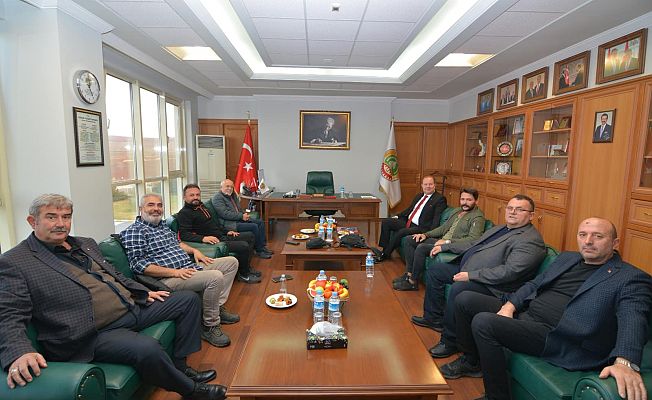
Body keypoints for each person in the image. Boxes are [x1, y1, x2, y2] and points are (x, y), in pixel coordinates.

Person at [0, 194, 227, 400]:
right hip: (93, 333)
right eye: (51, 217)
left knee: (187, 300)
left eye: (66, 217)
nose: (61, 223)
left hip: (131, 307)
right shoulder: (16, 261)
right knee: (147, 347)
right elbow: (8, 313)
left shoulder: (84, 243)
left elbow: (115, 274)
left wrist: (142, 292)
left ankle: (180, 365)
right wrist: (19, 351)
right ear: (32, 221)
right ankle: (191, 391)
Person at [443, 218, 651, 400]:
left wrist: (625, 362)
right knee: (465, 299)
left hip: (557, 335)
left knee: (484, 322)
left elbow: (633, 317)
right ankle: (471, 362)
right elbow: (534, 284)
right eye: (583, 234)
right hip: (527, 314)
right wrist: (509, 306)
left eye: (598, 236)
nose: (588, 241)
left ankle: (496, 397)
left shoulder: (629, 277)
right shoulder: (568, 258)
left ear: (615, 243)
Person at [411, 194, 546, 358]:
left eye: (519, 210)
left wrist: (471, 275)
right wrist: (446, 247)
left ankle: (450, 341)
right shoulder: (500, 228)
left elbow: (510, 271)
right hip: (467, 269)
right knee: (436, 270)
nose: (512, 212)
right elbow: (473, 244)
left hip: (492, 285)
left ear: (531, 215)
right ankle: (433, 318)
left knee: (459, 288)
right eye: (510, 208)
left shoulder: (530, 240)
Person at [121, 194, 239, 348]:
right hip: (167, 279)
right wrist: (174, 272)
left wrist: (195, 251)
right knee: (215, 277)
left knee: (231, 263)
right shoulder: (135, 232)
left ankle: (215, 308)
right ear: (141, 208)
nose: (156, 209)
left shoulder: (162, 226)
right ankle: (209, 326)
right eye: (151, 205)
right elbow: (139, 265)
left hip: (187, 268)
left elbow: (179, 243)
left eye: (159, 205)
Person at [393, 188, 486, 291]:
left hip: (452, 246)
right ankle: (409, 274)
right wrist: (425, 235)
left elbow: (473, 239)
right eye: (462, 199)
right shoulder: (457, 211)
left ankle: (413, 282)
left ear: (476, 201)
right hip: (441, 240)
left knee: (422, 247)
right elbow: (443, 228)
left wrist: (447, 242)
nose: (465, 202)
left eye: (469, 200)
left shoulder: (478, 217)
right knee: (410, 240)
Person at [176, 184, 261, 284]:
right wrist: (203, 238)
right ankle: (244, 275)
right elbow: (184, 235)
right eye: (192, 195)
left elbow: (214, 224)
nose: (195, 197)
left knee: (250, 236)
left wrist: (227, 231)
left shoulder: (201, 207)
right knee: (243, 245)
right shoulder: (184, 213)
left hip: (221, 235)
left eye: (197, 195)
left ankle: (246, 268)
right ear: (184, 197)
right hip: (214, 242)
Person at [376, 175, 447, 261]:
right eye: (425, 184)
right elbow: (409, 209)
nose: (428, 186)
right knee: (386, 222)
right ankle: (384, 249)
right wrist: (397, 216)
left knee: (401, 232)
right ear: (422, 185)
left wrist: (430, 234)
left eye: (430, 184)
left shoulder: (439, 199)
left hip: (421, 227)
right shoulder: (419, 196)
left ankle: (386, 254)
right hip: (408, 221)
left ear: (435, 185)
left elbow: (436, 218)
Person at [212, 179, 273, 259]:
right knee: (254, 226)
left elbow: (239, 209)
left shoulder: (232, 195)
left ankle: (262, 246)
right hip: (229, 224)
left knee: (260, 222)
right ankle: (259, 251)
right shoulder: (217, 198)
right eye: (227, 186)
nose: (230, 188)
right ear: (221, 187)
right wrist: (241, 216)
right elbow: (225, 214)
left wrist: (244, 214)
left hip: (238, 219)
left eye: (231, 187)